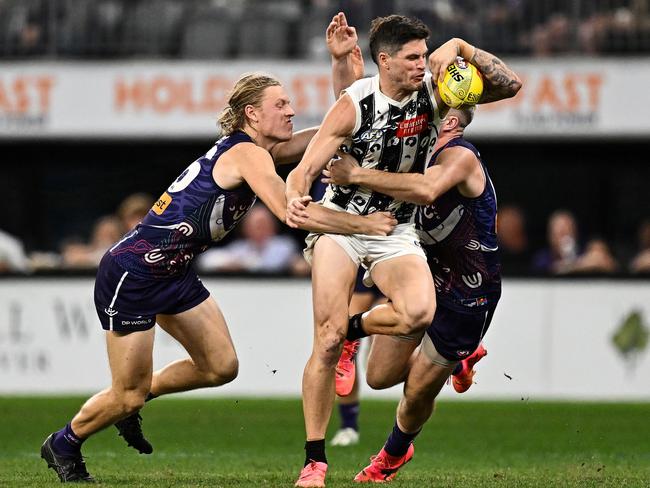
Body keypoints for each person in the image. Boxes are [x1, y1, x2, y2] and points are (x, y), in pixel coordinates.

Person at [40, 72, 397, 483]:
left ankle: (136, 400)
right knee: (126, 393)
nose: (291, 111)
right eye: (280, 105)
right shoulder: (249, 156)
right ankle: (64, 443)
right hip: (134, 273)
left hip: (170, 271)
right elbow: (291, 212)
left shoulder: (258, 151)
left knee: (220, 366)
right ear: (251, 114)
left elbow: (316, 140)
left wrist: (351, 122)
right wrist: (365, 224)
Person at [287, 12, 521, 487]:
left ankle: (355, 330)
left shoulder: (436, 92)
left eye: (424, 54)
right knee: (326, 339)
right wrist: (294, 194)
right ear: (385, 61)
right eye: (412, 57)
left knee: (417, 313)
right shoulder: (354, 103)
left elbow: (510, 84)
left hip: (395, 228)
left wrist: (460, 45)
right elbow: (304, 170)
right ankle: (315, 460)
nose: (422, 64)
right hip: (343, 224)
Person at [324, 104, 503, 482]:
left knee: (418, 391)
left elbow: (426, 190)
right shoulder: (412, 157)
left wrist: (356, 174)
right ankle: (457, 360)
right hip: (425, 280)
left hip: (467, 295)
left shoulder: (460, 156)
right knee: (378, 377)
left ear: (449, 123)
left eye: (434, 113)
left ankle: (393, 453)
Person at [197, 203, 301, 273]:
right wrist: (230, 264)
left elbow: (297, 263)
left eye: (264, 224)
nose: (260, 229)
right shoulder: (239, 248)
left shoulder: (284, 246)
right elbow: (205, 260)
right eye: (256, 225)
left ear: (273, 226)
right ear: (246, 228)